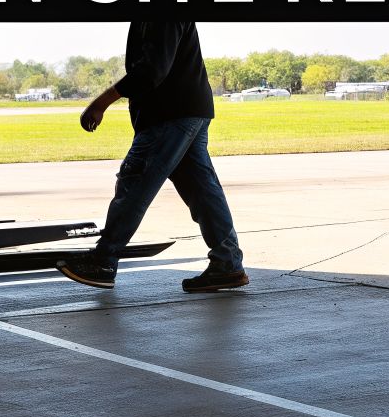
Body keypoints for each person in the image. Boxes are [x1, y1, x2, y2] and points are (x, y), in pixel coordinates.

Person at [57, 22, 248, 293]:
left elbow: (151, 70)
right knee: (203, 190)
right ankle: (227, 263)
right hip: (189, 109)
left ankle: (103, 260)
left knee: (135, 183)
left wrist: (101, 102)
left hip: (168, 113)